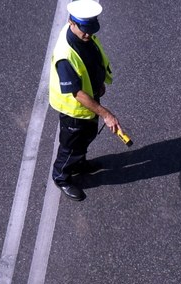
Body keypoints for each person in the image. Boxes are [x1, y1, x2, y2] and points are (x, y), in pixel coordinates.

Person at [49, 0, 123, 201]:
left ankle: (79, 163)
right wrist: (106, 114)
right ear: (71, 22)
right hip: (75, 110)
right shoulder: (65, 55)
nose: (89, 35)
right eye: (85, 30)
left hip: (90, 101)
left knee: (87, 136)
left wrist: (99, 81)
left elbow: (91, 59)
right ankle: (61, 177)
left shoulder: (83, 36)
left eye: (91, 29)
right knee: (71, 146)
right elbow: (78, 94)